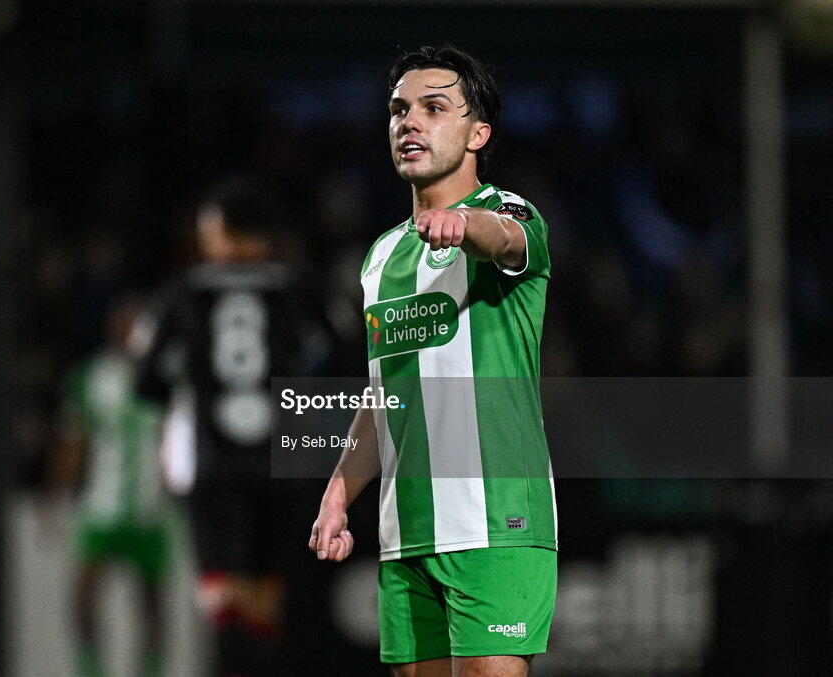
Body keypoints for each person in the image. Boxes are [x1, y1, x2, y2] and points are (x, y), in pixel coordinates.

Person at [308, 45, 557, 677]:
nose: (408, 122)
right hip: (406, 532)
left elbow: (505, 239)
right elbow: (384, 393)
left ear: (479, 133)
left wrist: (465, 225)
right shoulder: (380, 258)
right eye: (398, 110)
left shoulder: (511, 213)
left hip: (496, 520)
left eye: (433, 108)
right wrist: (339, 492)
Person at [138, 174, 333, 677]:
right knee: (269, 595)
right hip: (282, 464)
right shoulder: (298, 283)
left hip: (216, 466)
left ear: (221, 231)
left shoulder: (183, 289)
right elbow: (344, 353)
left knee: (224, 596)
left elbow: (145, 378)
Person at [50, 295, 176, 677]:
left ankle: (150, 672)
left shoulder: (167, 374)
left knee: (151, 603)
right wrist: (56, 492)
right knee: (83, 597)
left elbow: (180, 438)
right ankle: (92, 670)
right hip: (101, 506)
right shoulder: (91, 376)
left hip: (150, 508)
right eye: (123, 323)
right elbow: (74, 441)